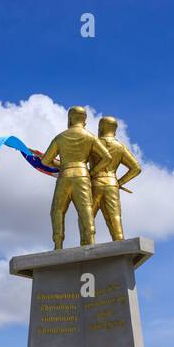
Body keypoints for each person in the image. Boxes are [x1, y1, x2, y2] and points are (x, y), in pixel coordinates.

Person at [40, 107, 112, 250]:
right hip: (83, 175)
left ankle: (58, 245)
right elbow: (107, 157)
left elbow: (45, 162)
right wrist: (92, 171)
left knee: (57, 210)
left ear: (70, 118)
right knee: (85, 210)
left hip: (64, 176)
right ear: (84, 120)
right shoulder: (90, 136)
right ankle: (91, 241)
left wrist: (62, 165)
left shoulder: (60, 137)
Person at [89, 115, 142, 242]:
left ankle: (86, 245)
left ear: (101, 127)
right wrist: (119, 182)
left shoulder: (92, 144)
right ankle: (120, 245)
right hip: (112, 184)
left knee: (87, 218)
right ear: (115, 129)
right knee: (115, 219)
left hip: (94, 184)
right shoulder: (120, 147)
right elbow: (136, 168)